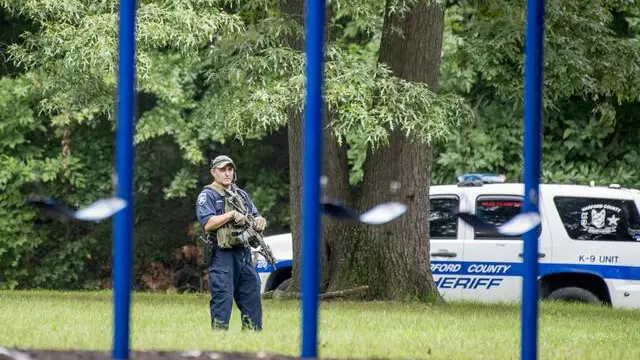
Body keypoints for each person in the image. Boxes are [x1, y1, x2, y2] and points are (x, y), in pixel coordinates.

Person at [196, 155, 267, 330]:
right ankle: (220, 341)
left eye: (230, 169)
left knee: (252, 296)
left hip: (243, 254)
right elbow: (208, 223)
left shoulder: (241, 194)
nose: (227, 173)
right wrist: (230, 215)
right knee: (223, 299)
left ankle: (252, 338)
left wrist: (260, 220)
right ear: (213, 172)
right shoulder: (208, 195)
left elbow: (255, 214)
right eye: (223, 170)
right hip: (222, 256)